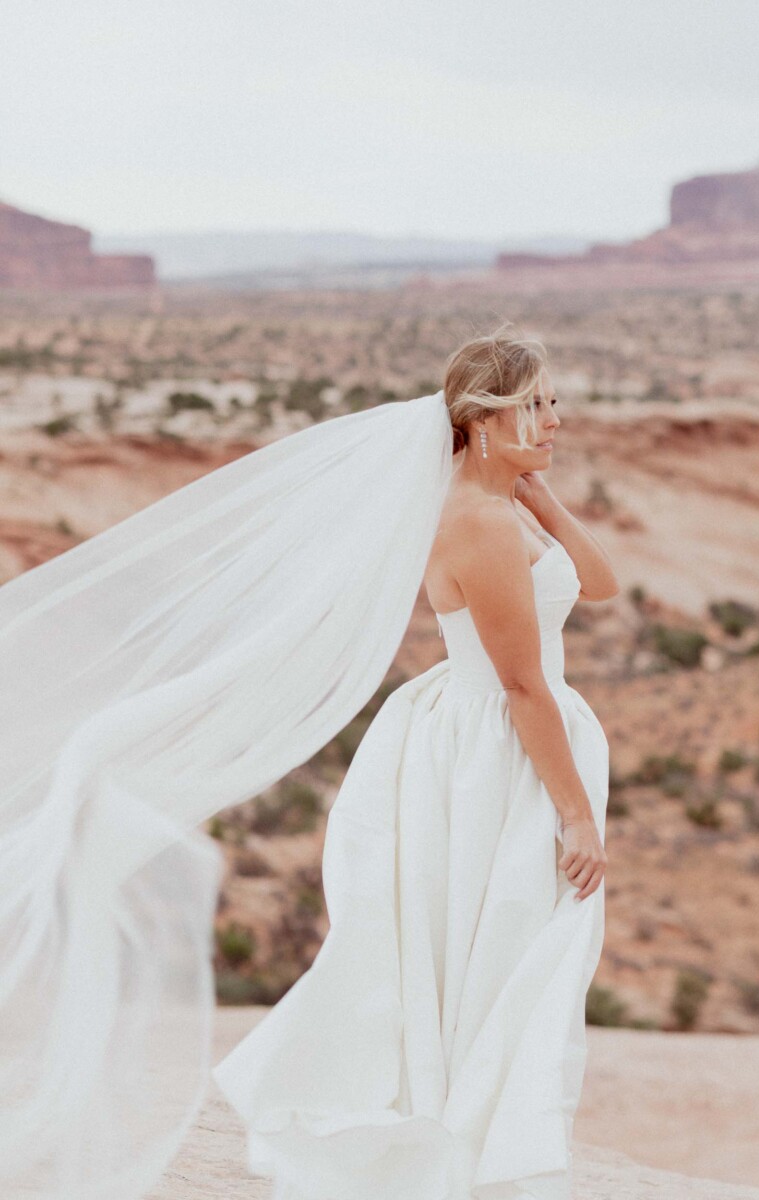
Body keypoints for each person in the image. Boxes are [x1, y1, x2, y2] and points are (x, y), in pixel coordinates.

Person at [212, 330, 617, 1200]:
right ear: (479, 418)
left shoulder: (499, 507)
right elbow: (521, 685)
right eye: (533, 405)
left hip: (485, 733)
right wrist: (576, 813)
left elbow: (600, 583)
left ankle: (471, 1144)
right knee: (509, 937)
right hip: (497, 755)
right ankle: (470, 1154)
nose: (554, 419)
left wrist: (541, 500)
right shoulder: (478, 526)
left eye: (552, 402)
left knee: (493, 941)